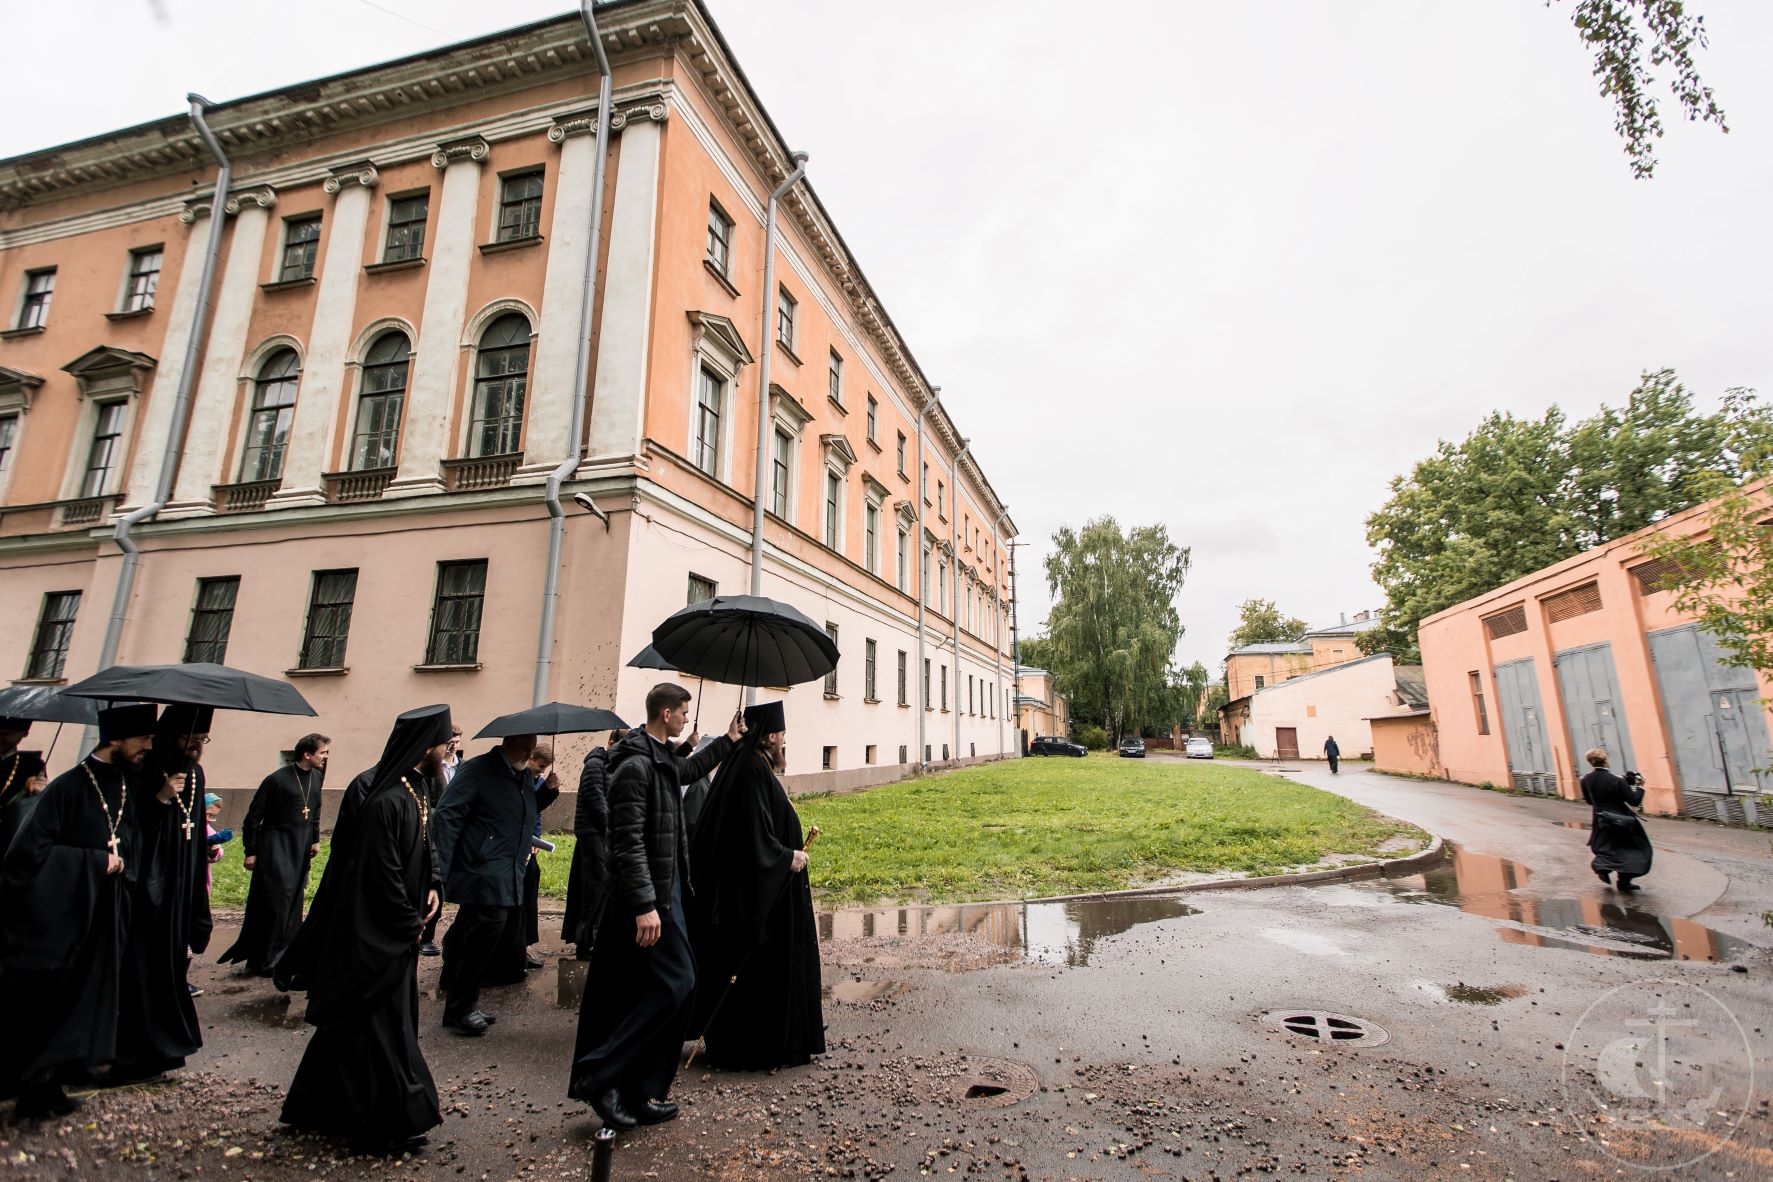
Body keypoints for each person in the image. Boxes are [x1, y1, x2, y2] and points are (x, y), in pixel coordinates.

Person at [276, 704, 452, 1155]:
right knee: (380, 1027)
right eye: (444, 743)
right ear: (424, 745)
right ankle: (385, 1123)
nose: (448, 750)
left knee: (352, 1025)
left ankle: (314, 1105)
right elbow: (381, 871)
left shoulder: (415, 788)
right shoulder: (382, 798)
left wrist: (432, 883)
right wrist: (406, 922)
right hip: (376, 933)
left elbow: (426, 842)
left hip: (398, 926)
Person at [567, 686, 742, 1130]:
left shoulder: (658, 757)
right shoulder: (633, 765)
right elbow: (624, 841)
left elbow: (685, 770)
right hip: (648, 902)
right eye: (683, 713)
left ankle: (643, 1090)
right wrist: (645, 904)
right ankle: (600, 1074)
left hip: (668, 894)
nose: (687, 719)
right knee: (676, 983)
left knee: (667, 990)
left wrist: (726, 742)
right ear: (666, 713)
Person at [0, 703, 157, 1118]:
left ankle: (55, 1083)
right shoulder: (68, 787)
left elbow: (131, 841)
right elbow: (25, 855)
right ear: (115, 740)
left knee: (83, 1001)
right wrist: (92, 862)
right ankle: (32, 1091)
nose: (148, 747)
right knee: (50, 1003)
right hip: (62, 919)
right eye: (143, 739)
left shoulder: (127, 784)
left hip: (103, 915)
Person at [686, 701, 825, 1070]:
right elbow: (750, 839)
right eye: (780, 734)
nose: (783, 741)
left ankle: (770, 1042)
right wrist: (785, 858)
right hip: (754, 899)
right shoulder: (750, 770)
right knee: (754, 973)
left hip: (763, 893)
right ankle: (753, 1047)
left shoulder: (754, 766)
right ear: (767, 737)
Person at [112, 705, 215, 1083]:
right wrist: (159, 797)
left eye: (203, 740)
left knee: (170, 967)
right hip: (145, 888)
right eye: (192, 738)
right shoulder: (143, 771)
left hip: (178, 885)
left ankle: (165, 1048)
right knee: (140, 968)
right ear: (172, 735)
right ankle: (132, 1051)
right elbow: (128, 827)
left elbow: (194, 826)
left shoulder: (196, 773)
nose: (197, 746)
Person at [431, 732, 540, 1035]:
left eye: (532, 749)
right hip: (482, 870)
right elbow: (448, 815)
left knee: (469, 932)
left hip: (506, 868)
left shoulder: (521, 776)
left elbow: (518, 816)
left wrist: (547, 794)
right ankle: (459, 1008)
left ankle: (459, 995)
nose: (529, 754)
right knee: (482, 936)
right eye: (525, 748)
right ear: (509, 745)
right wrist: (441, 869)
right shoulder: (478, 769)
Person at [218, 733, 328, 976]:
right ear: (307, 754)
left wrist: (314, 839)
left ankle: (285, 953)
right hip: (275, 845)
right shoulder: (276, 780)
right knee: (276, 901)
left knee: (294, 900)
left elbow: (316, 810)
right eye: (322, 752)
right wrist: (251, 851)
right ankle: (265, 958)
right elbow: (253, 817)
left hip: (300, 846)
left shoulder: (317, 777)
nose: (325, 756)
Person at [562, 729, 622, 960]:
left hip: (602, 833)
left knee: (602, 887)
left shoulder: (611, 765)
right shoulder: (595, 764)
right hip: (592, 833)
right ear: (611, 742)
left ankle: (593, 937)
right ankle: (586, 941)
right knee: (595, 887)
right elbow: (596, 799)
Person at [1580, 748, 1653, 892]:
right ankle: (1622, 880)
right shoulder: (1616, 780)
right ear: (1606, 760)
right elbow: (1634, 801)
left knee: (1607, 846)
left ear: (1590, 762)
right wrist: (1640, 787)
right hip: (1621, 820)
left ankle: (1602, 868)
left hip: (1600, 818)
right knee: (1634, 848)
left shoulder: (1585, 780)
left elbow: (1589, 801)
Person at [418, 726, 461, 958]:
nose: (453, 745)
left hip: (455, 835)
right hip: (435, 832)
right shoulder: (432, 770)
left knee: (444, 885)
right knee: (434, 882)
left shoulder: (461, 767)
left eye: (457, 741)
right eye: (450, 741)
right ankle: (426, 936)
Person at [0, 717, 48, 854]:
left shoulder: (32, 765)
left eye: (7, 734)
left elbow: (38, 810)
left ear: (24, 734)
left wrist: (33, 793)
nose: (2, 738)